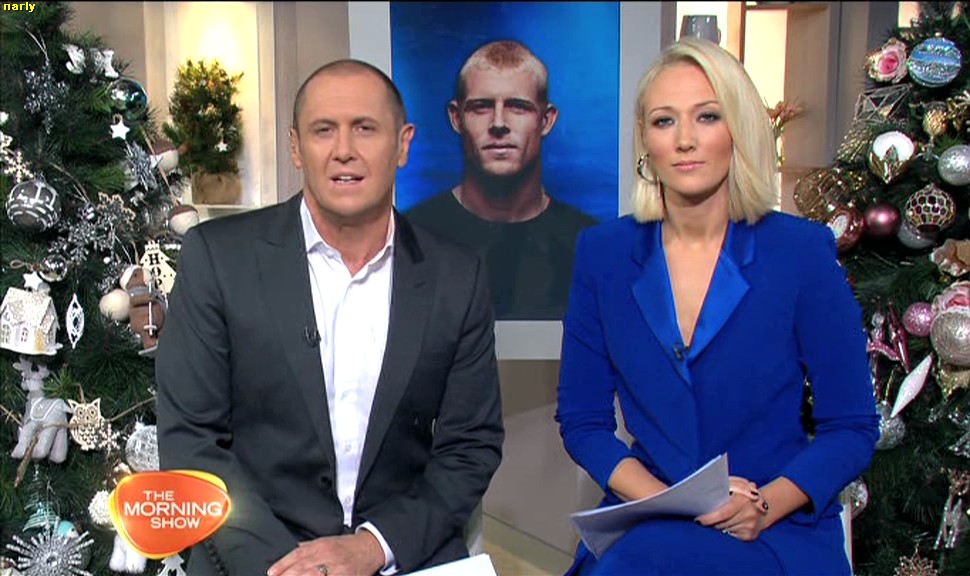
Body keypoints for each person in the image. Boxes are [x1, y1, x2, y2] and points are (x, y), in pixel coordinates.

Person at [156, 59, 504, 576]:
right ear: (296, 147)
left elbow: (470, 447)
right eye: (324, 130)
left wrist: (373, 547)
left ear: (403, 144)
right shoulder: (218, 258)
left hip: (397, 555)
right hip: (254, 558)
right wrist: (291, 569)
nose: (344, 150)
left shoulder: (457, 276)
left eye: (365, 128)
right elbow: (192, 440)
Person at [555, 38, 879, 575]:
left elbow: (852, 426)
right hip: (650, 518)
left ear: (739, 130)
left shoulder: (800, 252)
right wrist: (672, 502)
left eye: (707, 116)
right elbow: (582, 421)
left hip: (773, 527)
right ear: (645, 140)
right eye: (664, 121)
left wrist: (766, 503)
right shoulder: (603, 254)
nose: (685, 139)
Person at [404, 40, 597, 321]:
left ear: (546, 120)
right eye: (481, 107)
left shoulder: (588, 244)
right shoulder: (410, 236)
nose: (498, 124)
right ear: (456, 118)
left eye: (518, 107)